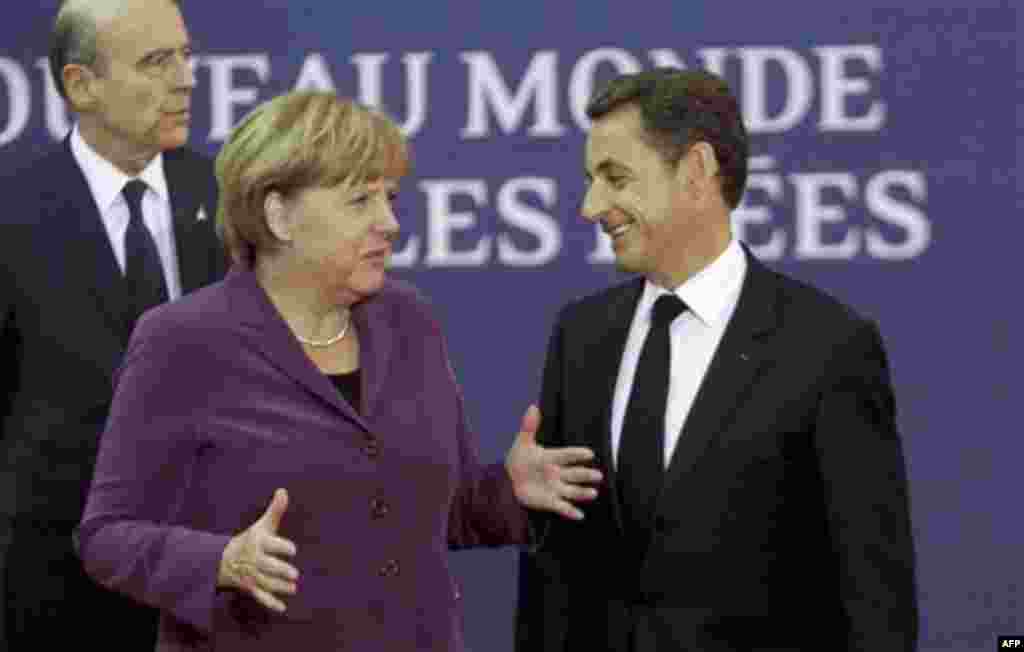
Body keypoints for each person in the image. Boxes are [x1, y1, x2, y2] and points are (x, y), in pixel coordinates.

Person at [74, 90, 603, 651]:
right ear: (278, 215)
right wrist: (219, 562)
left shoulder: (408, 321)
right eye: (360, 202)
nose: (390, 223)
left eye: (390, 198)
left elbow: (444, 512)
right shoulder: (182, 341)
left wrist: (509, 494)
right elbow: (106, 536)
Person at [515, 68, 918, 652]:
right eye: (590, 179)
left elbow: (873, 596)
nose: (590, 206)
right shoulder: (581, 336)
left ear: (697, 170)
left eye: (616, 177)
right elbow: (553, 576)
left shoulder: (827, 346)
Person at [0, 0, 226, 648]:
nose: (185, 79)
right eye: (157, 61)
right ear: (81, 85)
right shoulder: (11, 215)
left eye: (186, 56)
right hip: (55, 589)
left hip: (211, 577)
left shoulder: (229, 196)